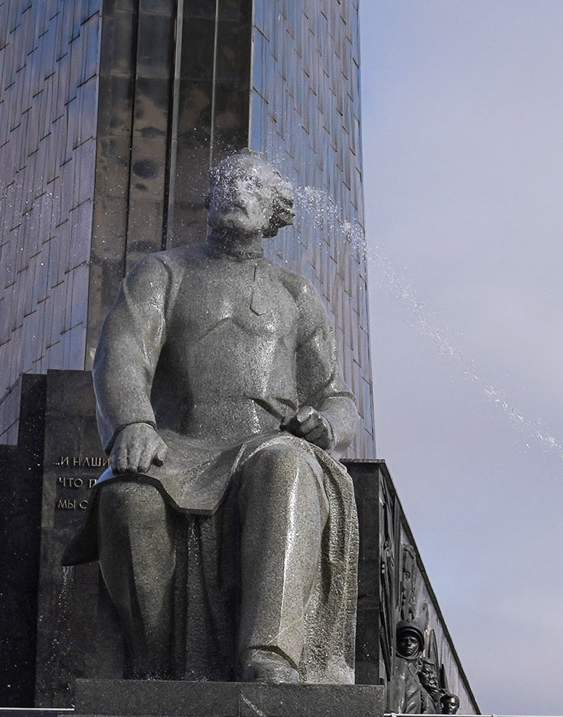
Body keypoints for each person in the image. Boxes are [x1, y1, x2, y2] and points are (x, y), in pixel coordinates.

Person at [64, 150, 362, 684]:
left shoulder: (296, 293)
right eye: (227, 181)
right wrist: (133, 422)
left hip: (265, 445)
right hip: (180, 445)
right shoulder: (162, 272)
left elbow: (337, 397)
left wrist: (328, 425)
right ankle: (158, 668)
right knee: (126, 498)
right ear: (208, 200)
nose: (236, 190)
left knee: (287, 467)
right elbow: (123, 354)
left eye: (251, 184)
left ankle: (270, 653)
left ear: (275, 211)